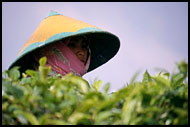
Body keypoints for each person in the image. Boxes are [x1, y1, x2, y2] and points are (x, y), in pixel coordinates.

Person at [9, 11, 120, 77]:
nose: (81, 52)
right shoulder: (33, 88)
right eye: (72, 44)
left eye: (84, 46)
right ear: (51, 51)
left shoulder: (81, 91)